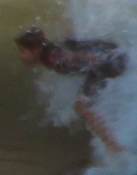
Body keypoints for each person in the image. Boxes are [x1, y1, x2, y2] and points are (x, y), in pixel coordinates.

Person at [15, 26, 128, 154]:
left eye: (22, 51)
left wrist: (83, 56)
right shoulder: (49, 49)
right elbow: (44, 36)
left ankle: (115, 148)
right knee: (85, 104)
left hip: (108, 63)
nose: (20, 55)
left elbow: (67, 55)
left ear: (36, 49)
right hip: (111, 56)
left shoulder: (51, 57)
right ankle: (116, 144)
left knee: (81, 107)